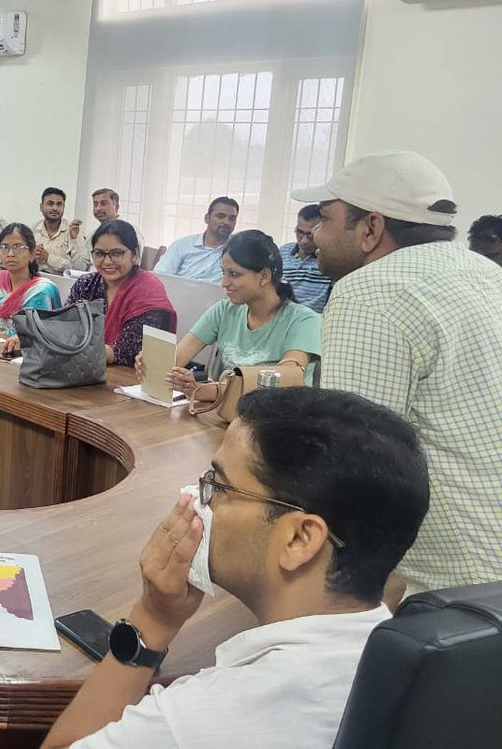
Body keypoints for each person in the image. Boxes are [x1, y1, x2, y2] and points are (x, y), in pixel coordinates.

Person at [42, 387, 429, 749]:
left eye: (219, 486)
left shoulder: (205, 717)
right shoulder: (410, 668)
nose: (196, 500)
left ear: (299, 539)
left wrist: (152, 620)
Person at [295, 151, 502, 594]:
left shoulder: (369, 292)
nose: (315, 234)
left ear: (371, 228)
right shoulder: (487, 273)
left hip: (447, 584)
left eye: (325, 219)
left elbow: (358, 464)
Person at [145, 230, 321, 392]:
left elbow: (288, 377)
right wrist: (152, 365)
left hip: (274, 418)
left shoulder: (303, 321)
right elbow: (176, 358)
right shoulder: (224, 310)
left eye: (234, 274)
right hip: (223, 409)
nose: (224, 283)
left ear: (265, 276)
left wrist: (203, 390)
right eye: (224, 273)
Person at [68, 221, 176, 367]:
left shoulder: (148, 290)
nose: (107, 261)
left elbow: (128, 351)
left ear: (135, 254)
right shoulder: (86, 285)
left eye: (117, 253)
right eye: (100, 253)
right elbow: (65, 327)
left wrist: (67, 348)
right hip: (80, 368)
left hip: (129, 378)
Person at [0, 223, 62, 354]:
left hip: (24, 358)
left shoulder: (43, 290)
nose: (10, 254)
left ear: (32, 253)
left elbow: (31, 339)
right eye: (4, 247)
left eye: (18, 247)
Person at [154, 197, 239, 283]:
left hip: (219, 295)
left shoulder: (239, 250)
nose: (226, 222)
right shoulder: (182, 246)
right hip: (180, 294)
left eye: (232, 218)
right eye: (220, 216)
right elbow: (159, 278)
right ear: (207, 218)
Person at [279, 205, 331, 313]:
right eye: (300, 232)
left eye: (310, 235)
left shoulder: (328, 258)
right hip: (282, 317)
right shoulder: (283, 252)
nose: (304, 241)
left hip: (313, 319)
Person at [32, 187, 89, 275]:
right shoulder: (33, 230)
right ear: (41, 207)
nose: (55, 208)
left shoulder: (73, 232)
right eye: (50, 204)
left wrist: (48, 258)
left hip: (63, 283)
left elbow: (80, 268)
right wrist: (30, 257)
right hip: (36, 280)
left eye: (59, 204)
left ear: (63, 207)